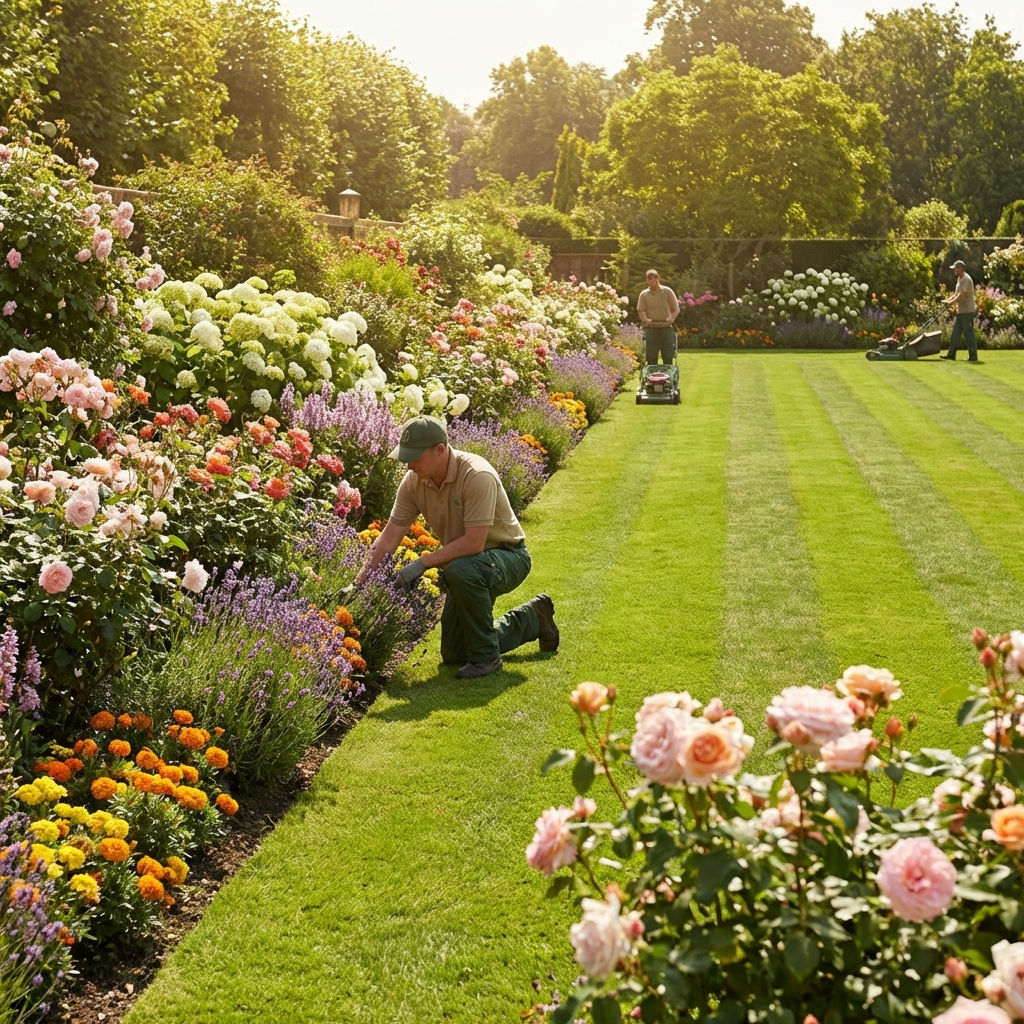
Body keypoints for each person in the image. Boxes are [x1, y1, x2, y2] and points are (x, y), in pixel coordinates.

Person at [358, 415, 558, 679]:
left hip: (508, 556)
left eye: (415, 457)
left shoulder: (476, 475)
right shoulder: (413, 482)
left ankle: (487, 658)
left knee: (460, 570)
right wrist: (359, 582)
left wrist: (420, 564)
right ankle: (535, 617)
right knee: (454, 653)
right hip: (466, 564)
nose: (408, 465)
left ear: (440, 450)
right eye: (406, 457)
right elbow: (389, 537)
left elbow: (474, 543)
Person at [637, 269, 680, 366]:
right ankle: (653, 379)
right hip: (651, 329)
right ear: (647, 280)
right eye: (650, 278)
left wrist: (671, 318)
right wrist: (645, 320)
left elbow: (675, 309)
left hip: (666, 328)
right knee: (651, 358)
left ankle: (668, 378)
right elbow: (641, 310)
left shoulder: (667, 292)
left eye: (655, 278)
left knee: (668, 357)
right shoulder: (644, 294)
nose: (653, 280)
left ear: (658, 278)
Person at [941, 259, 978, 362]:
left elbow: (961, 296)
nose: (954, 271)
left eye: (955, 269)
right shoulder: (959, 279)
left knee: (969, 334)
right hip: (961, 312)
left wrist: (951, 303)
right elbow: (956, 293)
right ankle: (951, 355)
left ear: (961, 269)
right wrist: (947, 300)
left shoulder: (966, 279)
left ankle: (973, 357)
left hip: (967, 311)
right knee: (955, 334)